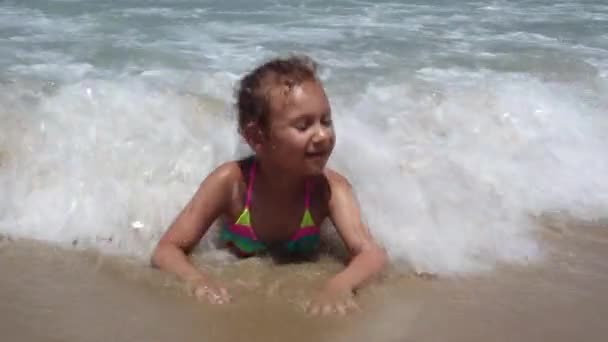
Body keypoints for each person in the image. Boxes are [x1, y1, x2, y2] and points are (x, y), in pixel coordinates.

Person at [151, 55, 387, 315]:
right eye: (303, 125)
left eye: (326, 121)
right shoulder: (230, 184)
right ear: (257, 137)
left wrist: (338, 285)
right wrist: (196, 279)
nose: (323, 135)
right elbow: (167, 249)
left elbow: (371, 254)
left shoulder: (329, 189)